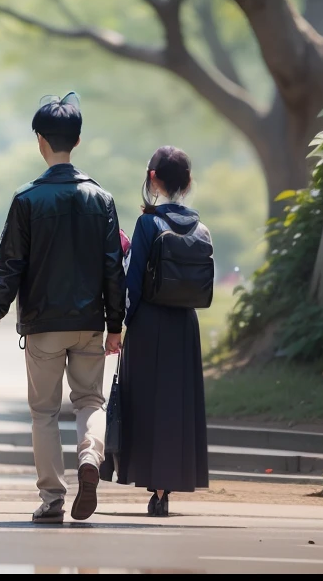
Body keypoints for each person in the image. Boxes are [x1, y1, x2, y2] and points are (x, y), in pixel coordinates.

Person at [0, 93, 125, 524]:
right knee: (90, 400)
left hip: (42, 325)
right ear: (76, 140)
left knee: (43, 412)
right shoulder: (102, 200)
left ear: (41, 141)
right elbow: (114, 269)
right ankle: (90, 458)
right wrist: (116, 325)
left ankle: (53, 498)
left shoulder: (27, 200)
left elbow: (10, 267)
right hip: (89, 323)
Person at [115, 146, 211, 516]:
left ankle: (152, 484)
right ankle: (166, 486)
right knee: (176, 404)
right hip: (185, 325)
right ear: (186, 183)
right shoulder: (200, 228)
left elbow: (132, 283)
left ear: (153, 178)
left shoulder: (148, 224)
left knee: (148, 404)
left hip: (149, 324)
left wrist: (119, 325)